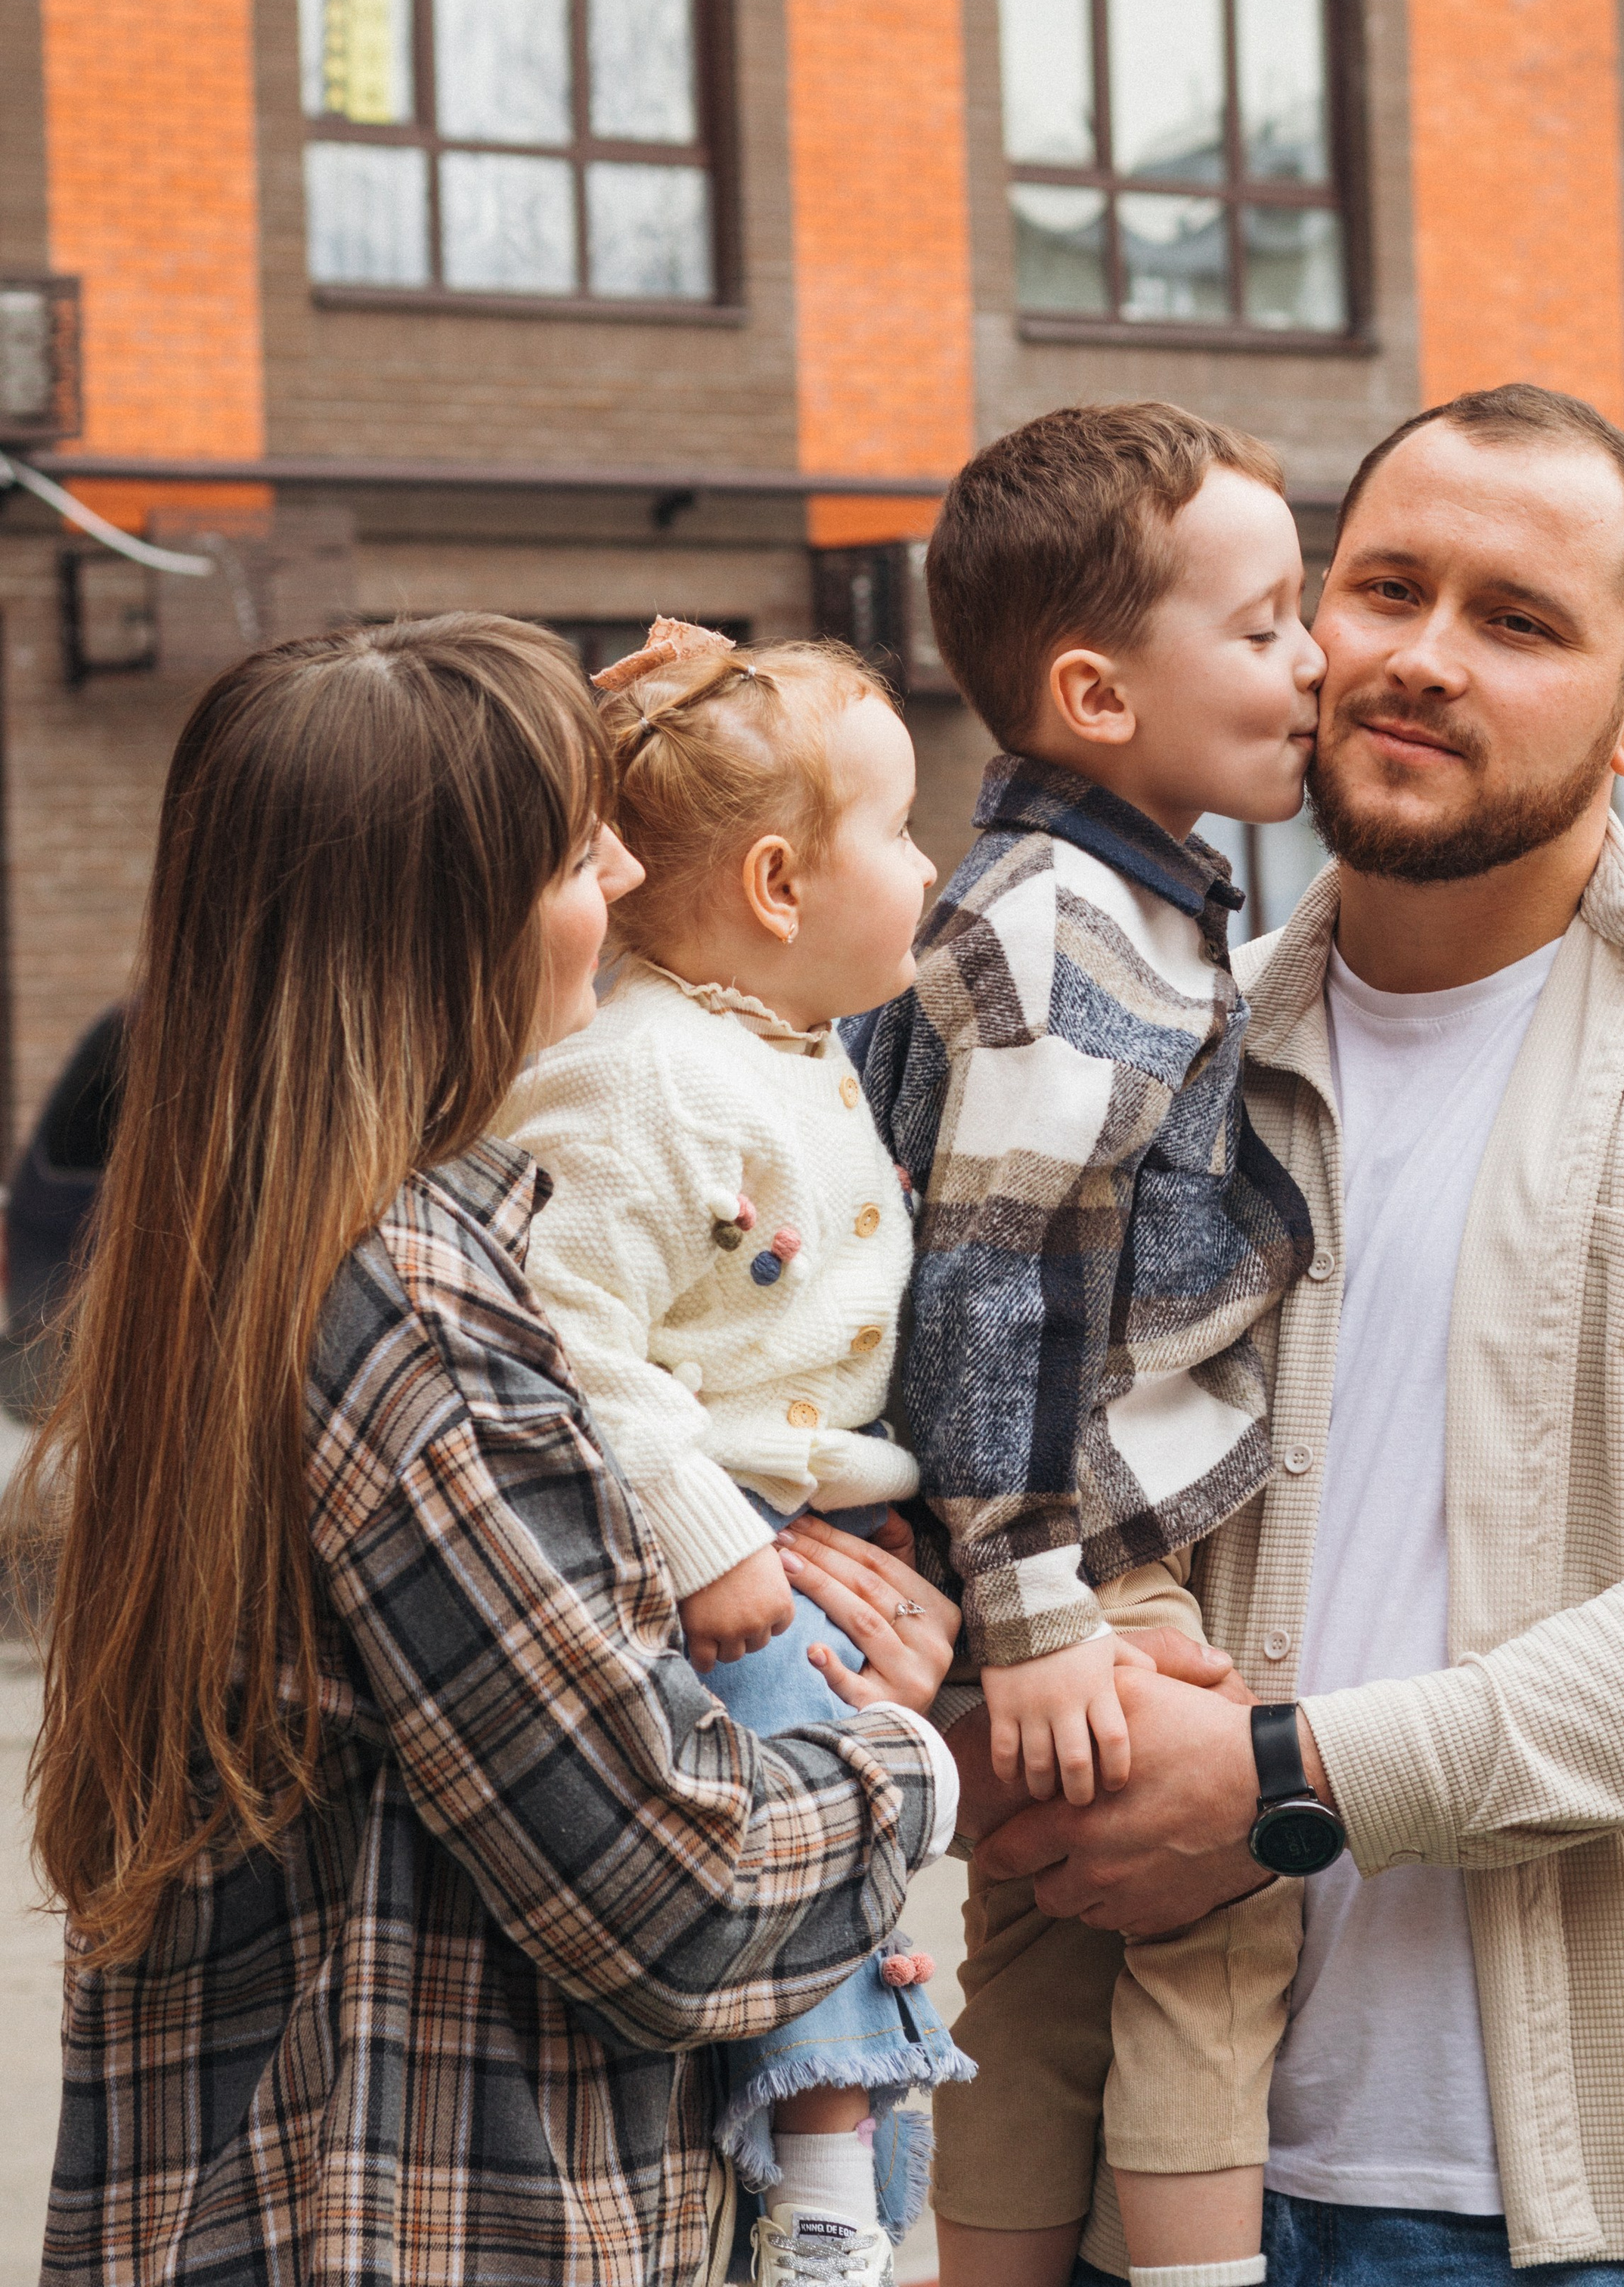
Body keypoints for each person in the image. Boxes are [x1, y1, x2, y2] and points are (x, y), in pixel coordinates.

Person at [965, 385, 1624, 2287]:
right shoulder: (1152, 1047)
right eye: (1384, 587)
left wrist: (1288, 1781)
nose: (1412, 659)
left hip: (1572, 2220)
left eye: (1515, 620)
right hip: (1139, 2174)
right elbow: (993, 1442)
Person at [13, 613, 962, 2287]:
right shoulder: (420, 1309)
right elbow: (679, 1883)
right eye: (567, 845)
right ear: (449, 921)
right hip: (451, 2225)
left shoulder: (236, 1265)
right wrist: (907, 1749)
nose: (614, 867)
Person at [851, 402, 1328, 2287]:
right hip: (1081, 1533)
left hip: (1043, 1524)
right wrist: (1039, 1608)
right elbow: (996, 1280)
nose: (1312, 664)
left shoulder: (1113, 897)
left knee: (1036, 1952)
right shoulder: (1070, 930)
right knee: (1211, 1931)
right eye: (1267, 620)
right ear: (1095, 693)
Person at [502, 620, 975, 2282]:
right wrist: (708, 1532)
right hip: (702, 1549)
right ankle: (827, 2181)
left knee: (833, 1847)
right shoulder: (633, 1080)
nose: (931, 863)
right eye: (903, 830)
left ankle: (829, 2153)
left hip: (794, 1538)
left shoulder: (789, 1046)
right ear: (779, 884)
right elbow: (562, 1341)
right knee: (800, 1813)